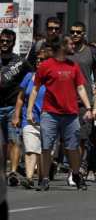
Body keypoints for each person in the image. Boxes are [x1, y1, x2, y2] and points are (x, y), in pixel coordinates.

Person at [27, 36, 94, 191]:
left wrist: (89, 108)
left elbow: (81, 88)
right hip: (50, 113)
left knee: (73, 147)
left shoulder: (74, 66)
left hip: (71, 114)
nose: (73, 46)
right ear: (62, 46)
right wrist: (30, 110)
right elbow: (35, 89)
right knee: (46, 146)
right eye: (70, 43)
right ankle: (44, 179)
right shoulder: (45, 66)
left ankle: (76, 174)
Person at [12, 42, 49, 189]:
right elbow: (21, 97)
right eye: (38, 59)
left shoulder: (52, 78)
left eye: (43, 60)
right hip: (29, 118)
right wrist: (16, 115)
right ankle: (28, 177)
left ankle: (42, 177)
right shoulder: (29, 76)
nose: (39, 62)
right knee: (30, 149)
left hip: (48, 119)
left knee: (43, 151)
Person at [67, 22, 96, 182]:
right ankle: (73, 166)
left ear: (84, 34)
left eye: (78, 32)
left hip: (84, 101)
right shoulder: (66, 51)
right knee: (67, 137)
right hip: (66, 100)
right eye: (72, 31)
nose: (75, 34)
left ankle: (80, 167)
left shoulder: (91, 51)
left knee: (82, 137)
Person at [0, 29, 29, 185]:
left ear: (13, 42)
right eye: (2, 40)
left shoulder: (20, 62)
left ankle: (13, 172)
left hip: (12, 107)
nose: (4, 43)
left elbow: (32, 77)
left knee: (14, 140)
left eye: (8, 41)